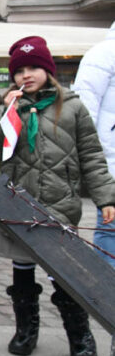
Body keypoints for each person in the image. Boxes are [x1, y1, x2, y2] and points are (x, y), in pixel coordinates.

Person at [0, 36, 115, 356]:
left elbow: (91, 155)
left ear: (48, 70)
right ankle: (25, 331)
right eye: (19, 70)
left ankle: (80, 336)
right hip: (19, 205)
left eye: (33, 68)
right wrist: (9, 114)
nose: (26, 75)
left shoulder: (71, 107)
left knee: (64, 275)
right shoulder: (7, 108)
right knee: (23, 272)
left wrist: (105, 198)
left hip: (59, 204)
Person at [72, 19, 115, 269]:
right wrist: (90, 157)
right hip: (110, 159)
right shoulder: (103, 53)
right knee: (110, 229)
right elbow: (84, 111)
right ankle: (106, 292)